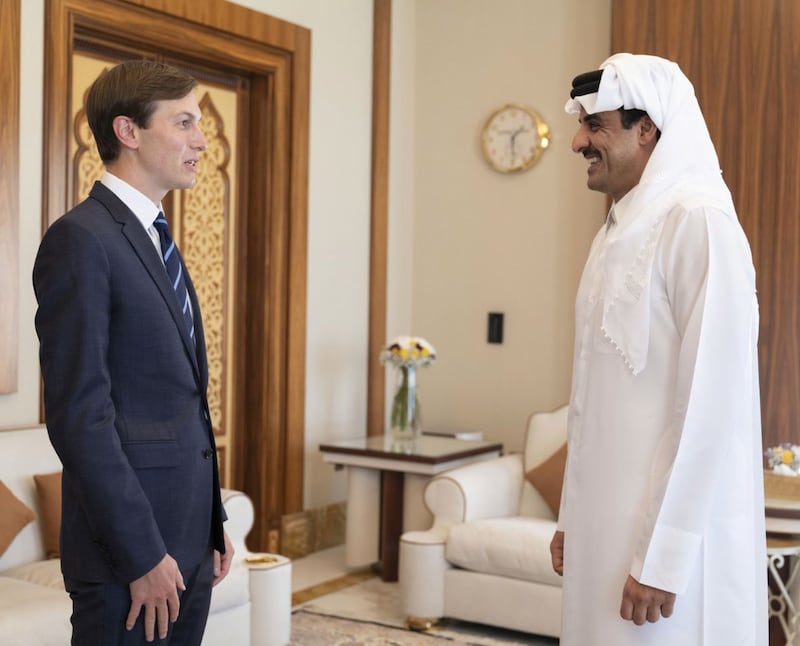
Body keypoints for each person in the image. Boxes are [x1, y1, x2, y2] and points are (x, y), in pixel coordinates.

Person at [550, 53, 766, 645]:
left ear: (647, 129)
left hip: (668, 556)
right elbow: (588, 398)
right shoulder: (613, 234)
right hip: (602, 533)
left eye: (594, 125)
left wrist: (663, 558)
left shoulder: (699, 224)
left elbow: (709, 407)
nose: (577, 142)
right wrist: (571, 517)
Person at [33, 60, 233, 645]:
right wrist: (142, 554)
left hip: (186, 540)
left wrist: (210, 522)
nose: (201, 140)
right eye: (184, 122)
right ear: (128, 131)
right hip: (130, 561)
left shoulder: (153, 236)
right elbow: (81, 418)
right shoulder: (81, 239)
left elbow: (178, 403)